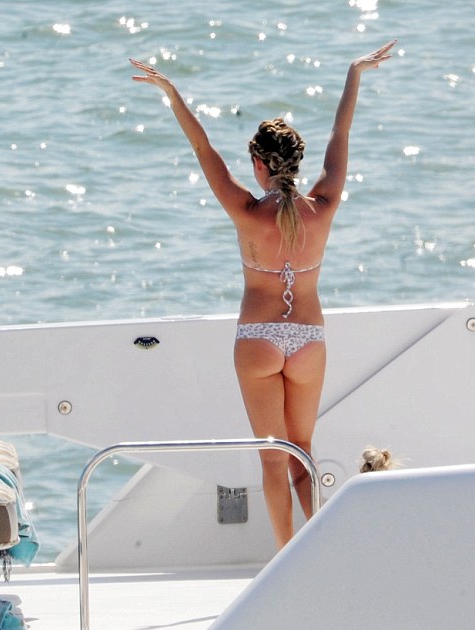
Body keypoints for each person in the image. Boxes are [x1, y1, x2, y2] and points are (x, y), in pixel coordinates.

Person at [131, 39, 397, 548]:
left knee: (273, 459)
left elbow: (203, 150)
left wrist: (172, 93)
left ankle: (285, 558)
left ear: (258, 163)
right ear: (295, 164)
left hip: (258, 339)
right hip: (308, 340)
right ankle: (323, 549)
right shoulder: (324, 204)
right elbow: (341, 134)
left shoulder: (247, 211)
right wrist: (354, 73)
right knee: (301, 452)